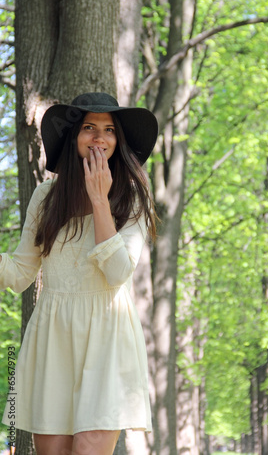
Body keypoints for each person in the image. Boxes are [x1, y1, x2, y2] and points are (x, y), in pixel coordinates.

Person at [0, 92, 158, 455]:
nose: (99, 138)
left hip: (108, 337)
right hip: (54, 339)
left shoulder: (132, 197)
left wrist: (100, 199)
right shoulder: (45, 197)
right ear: (74, 138)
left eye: (108, 130)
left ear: (118, 142)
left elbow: (118, 273)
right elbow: (21, 272)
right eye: (89, 128)